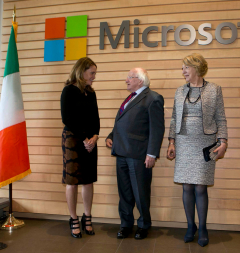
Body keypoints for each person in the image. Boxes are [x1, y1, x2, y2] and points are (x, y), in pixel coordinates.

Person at [167, 53, 228, 247]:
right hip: (183, 143)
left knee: (200, 186)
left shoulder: (214, 90)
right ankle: (190, 226)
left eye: (186, 67)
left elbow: (221, 118)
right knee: (187, 186)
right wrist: (171, 142)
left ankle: (203, 228)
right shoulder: (179, 91)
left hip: (204, 143)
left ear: (197, 68)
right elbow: (174, 118)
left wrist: (223, 141)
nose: (183, 71)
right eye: (182, 68)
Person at [106, 68, 165, 240]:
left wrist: (152, 154)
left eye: (130, 77)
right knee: (124, 192)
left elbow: (157, 129)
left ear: (140, 80)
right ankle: (125, 225)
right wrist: (111, 136)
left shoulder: (153, 98)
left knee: (141, 193)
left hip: (139, 154)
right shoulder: (129, 98)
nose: (126, 80)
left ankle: (144, 225)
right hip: (121, 152)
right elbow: (121, 121)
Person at [60, 57, 100, 238]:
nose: (94, 77)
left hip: (90, 141)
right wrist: (85, 138)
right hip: (73, 140)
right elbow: (67, 119)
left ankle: (87, 216)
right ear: (81, 71)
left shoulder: (90, 92)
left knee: (88, 179)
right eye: (92, 73)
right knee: (72, 181)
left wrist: (95, 137)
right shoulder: (68, 91)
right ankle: (73, 218)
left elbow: (96, 118)